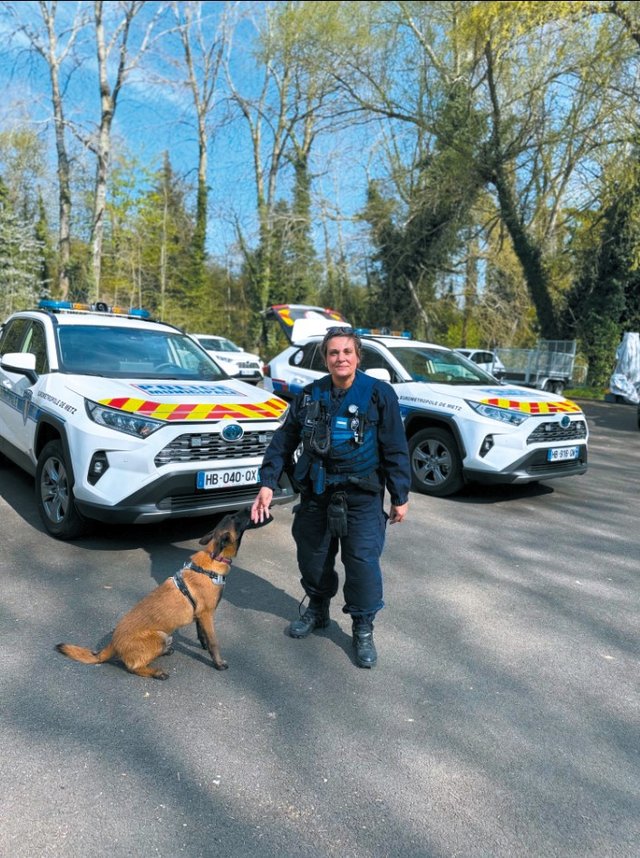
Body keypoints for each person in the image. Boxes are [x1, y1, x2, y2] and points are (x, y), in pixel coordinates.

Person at [251, 326, 410, 668]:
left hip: (361, 497)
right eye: (334, 353)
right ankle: (317, 609)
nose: (340, 358)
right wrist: (267, 482)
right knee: (313, 558)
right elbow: (284, 440)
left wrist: (400, 495)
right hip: (317, 494)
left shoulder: (379, 394)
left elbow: (395, 447)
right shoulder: (310, 395)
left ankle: (363, 628)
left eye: (347, 352)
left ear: (357, 356)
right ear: (325, 358)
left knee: (362, 565)